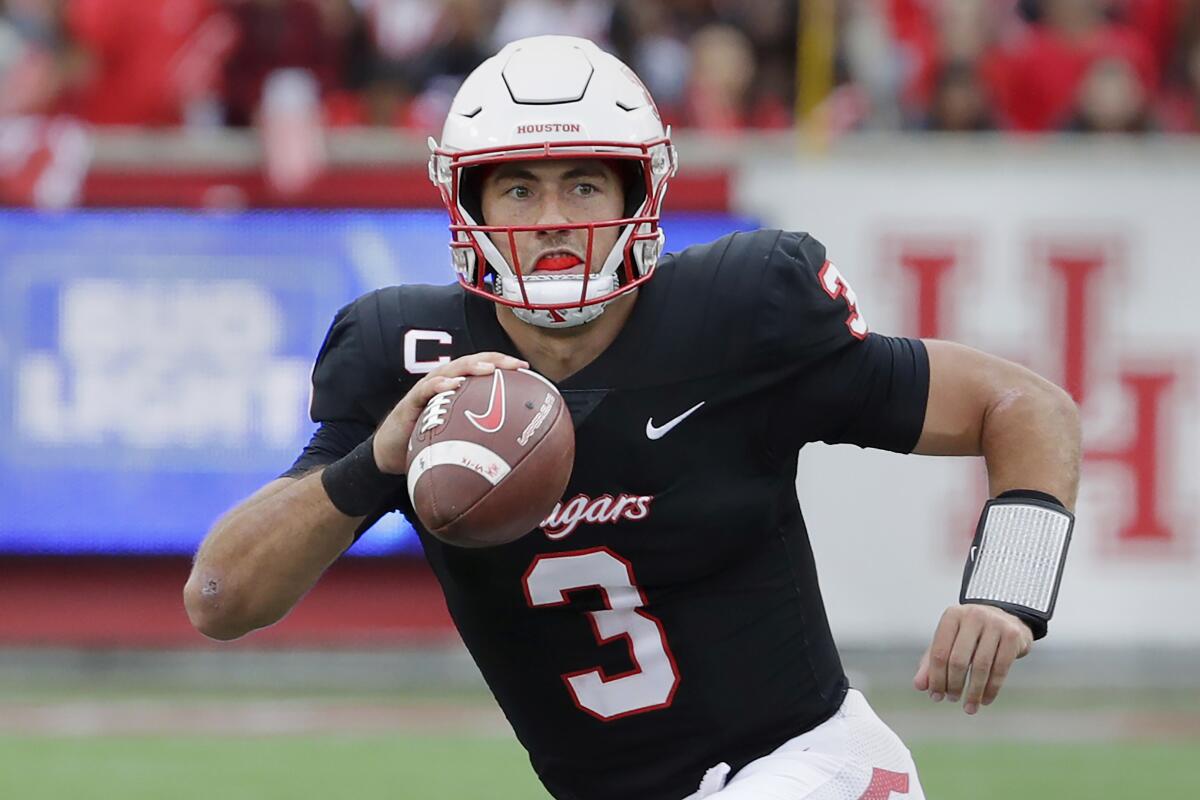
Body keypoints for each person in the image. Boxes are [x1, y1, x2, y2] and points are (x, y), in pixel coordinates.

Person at [185, 35, 1081, 800]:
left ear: (635, 196)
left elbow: (1024, 406)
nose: (552, 221)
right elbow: (220, 601)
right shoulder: (404, 355)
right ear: (469, 204)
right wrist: (377, 459)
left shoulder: (741, 310)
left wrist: (1008, 589)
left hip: (809, 767)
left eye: (583, 186)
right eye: (518, 190)